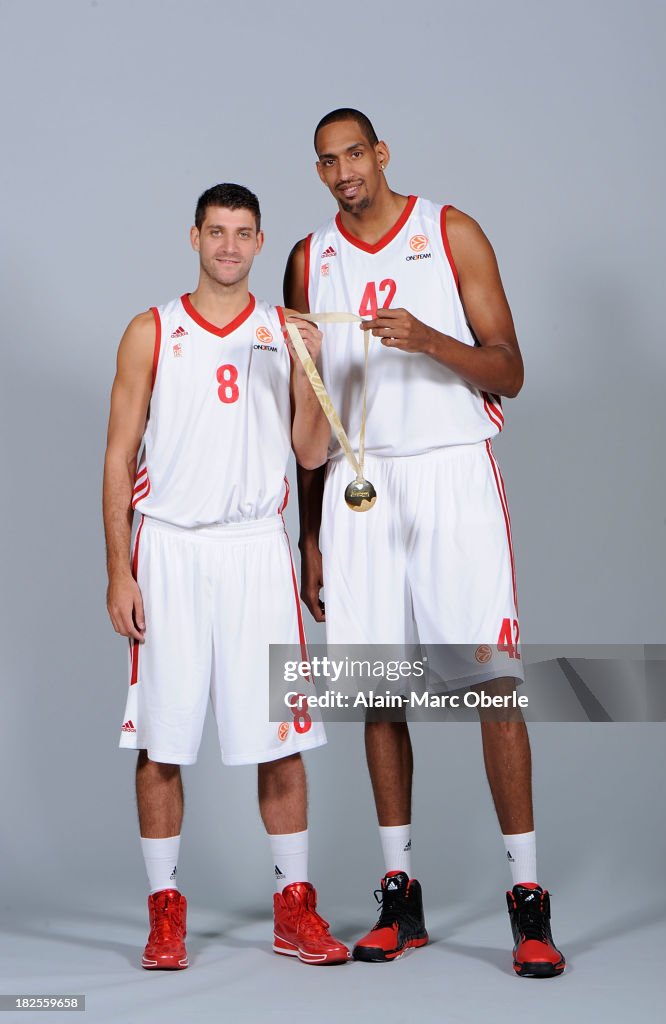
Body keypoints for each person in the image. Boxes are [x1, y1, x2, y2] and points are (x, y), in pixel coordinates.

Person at [284, 110, 565, 977]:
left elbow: (510, 370)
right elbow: (310, 408)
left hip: (450, 473)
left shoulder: (449, 230)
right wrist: (310, 534)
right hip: (359, 485)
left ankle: (526, 900)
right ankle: (399, 895)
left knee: (490, 687)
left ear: (382, 154)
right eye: (327, 162)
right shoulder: (306, 258)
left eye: (355, 154)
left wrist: (428, 340)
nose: (343, 173)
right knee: (377, 689)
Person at [103, 183, 349, 970]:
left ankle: (293, 907)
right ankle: (165, 910)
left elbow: (311, 452)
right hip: (168, 547)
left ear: (259, 240)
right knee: (162, 740)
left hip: (255, 550)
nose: (231, 247)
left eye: (244, 234)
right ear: (194, 237)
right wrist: (118, 570)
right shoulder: (151, 330)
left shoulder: (285, 331)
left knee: (279, 741)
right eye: (217, 232)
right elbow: (117, 456)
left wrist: (314, 370)